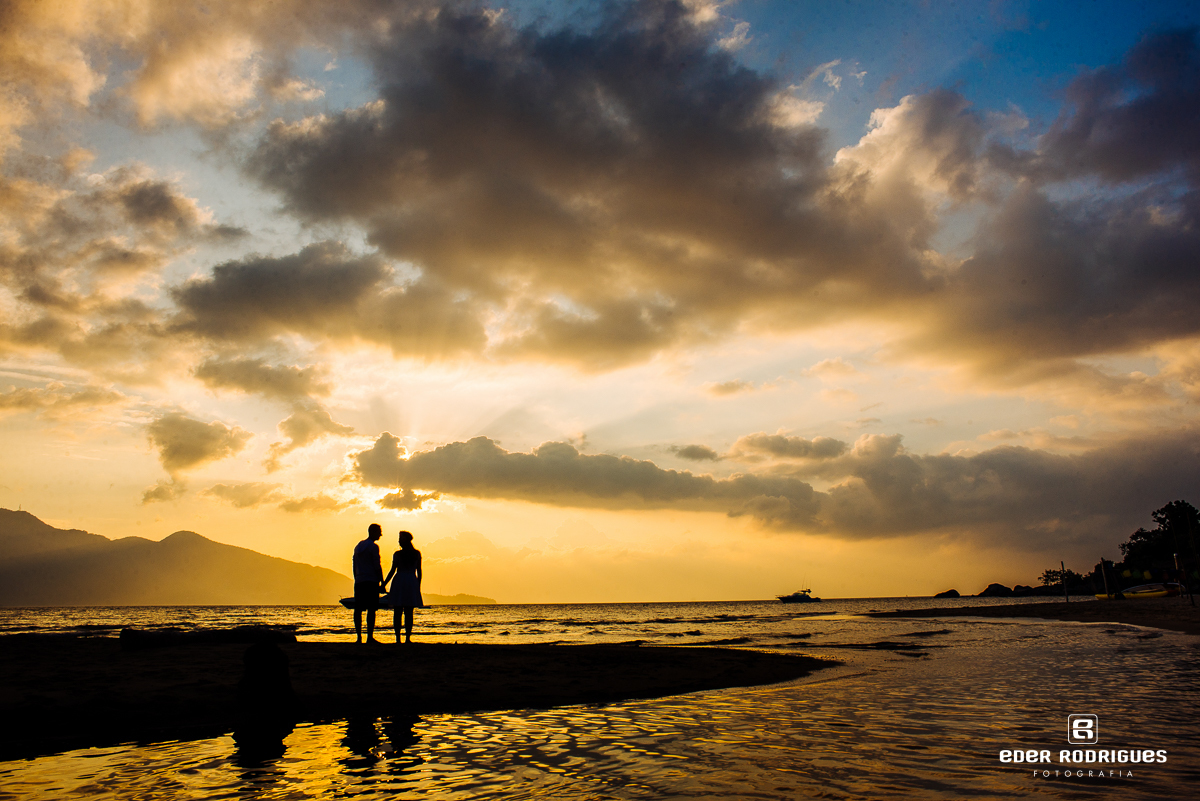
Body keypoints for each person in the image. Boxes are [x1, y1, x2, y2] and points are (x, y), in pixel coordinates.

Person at [382, 530, 423, 644]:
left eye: (400, 539)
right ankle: (407, 638)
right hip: (410, 580)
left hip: (400, 580)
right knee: (408, 611)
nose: (399, 541)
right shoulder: (416, 554)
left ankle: (398, 638)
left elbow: (392, 571)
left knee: (398, 610)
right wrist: (417, 585)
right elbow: (419, 571)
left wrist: (384, 584)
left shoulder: (398, 554)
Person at [352, 524, 384, 644]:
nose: (381, 534)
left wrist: (356, 577)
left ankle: (359, 637)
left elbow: (354, 564)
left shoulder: (358, 546)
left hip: (360, 580)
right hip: (371, 580)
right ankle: (369, 637)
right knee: (371, 609)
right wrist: (382, 581)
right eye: (379, 532)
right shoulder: (373, 547)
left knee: (358, 609)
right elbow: (377, 565)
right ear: (374, 532)